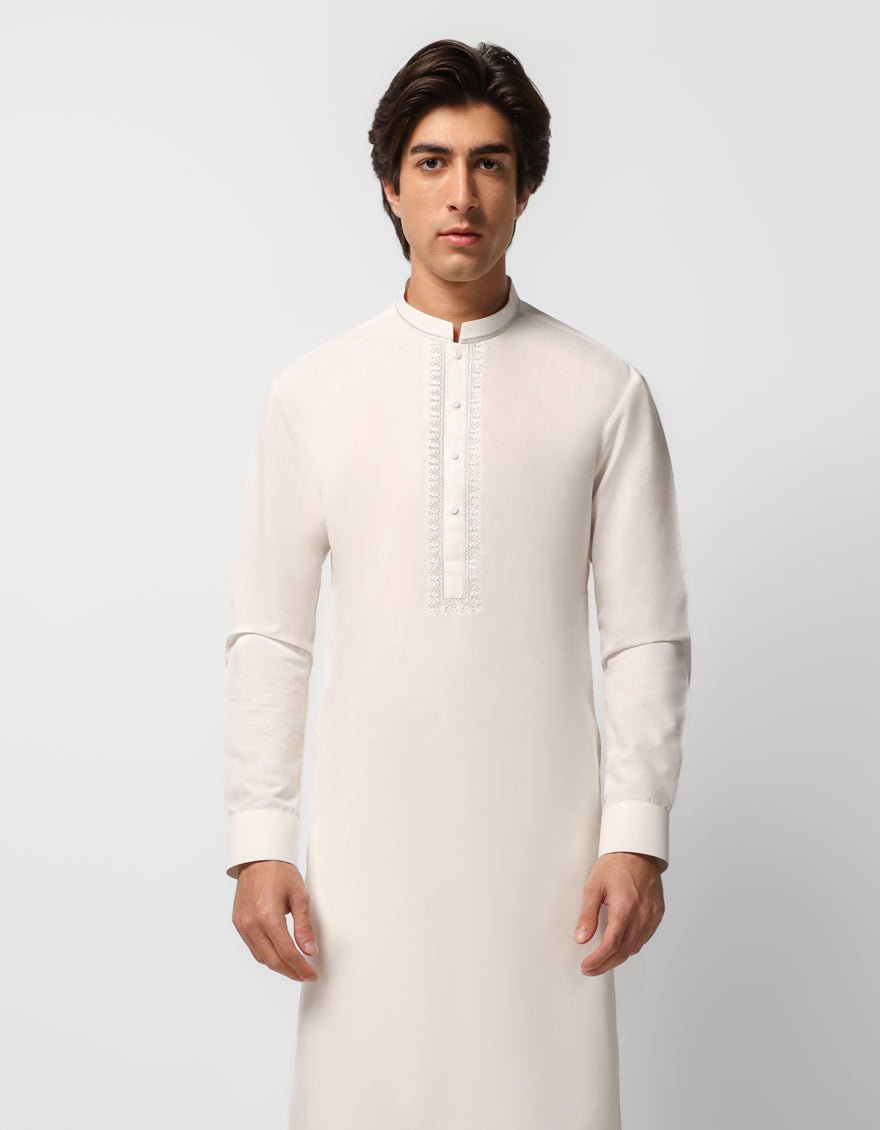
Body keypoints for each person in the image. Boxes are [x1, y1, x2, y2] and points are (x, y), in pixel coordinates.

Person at [222, 38, 691, 1130]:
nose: (462, 194)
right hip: (365, 859)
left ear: (525, 188)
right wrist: (259, 839)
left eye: (490, 163)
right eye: (432, 162)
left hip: (548, 858)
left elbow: (645, 636)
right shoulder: (312, 394)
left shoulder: (604, 392)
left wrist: (636, 831)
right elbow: (270, 634)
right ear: (391, 185)